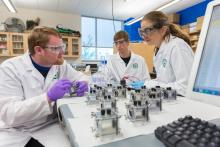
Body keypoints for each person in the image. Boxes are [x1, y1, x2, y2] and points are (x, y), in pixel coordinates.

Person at [0, 26, 89, 147]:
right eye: (56, 48)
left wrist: (83, 83)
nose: (62, 53)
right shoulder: (10, 68)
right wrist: (48, 97)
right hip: (17, 131)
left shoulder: (60, 65)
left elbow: (81, 77)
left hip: (49, 126)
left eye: (62, 47)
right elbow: (9, 113)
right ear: (38, 50)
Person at [139, 11, 194, 96]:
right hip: (169, 98)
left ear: (163, 30)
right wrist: (148, 83)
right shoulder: (158, 50)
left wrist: (151, 85)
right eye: (142, 31)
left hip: (182, 102)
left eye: (148, 30)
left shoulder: (177, 47)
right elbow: (164, 81)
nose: (144, 35)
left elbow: (185, 87)